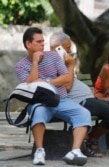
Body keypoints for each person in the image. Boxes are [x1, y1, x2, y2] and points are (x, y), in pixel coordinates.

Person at [15, 27, 91, 166]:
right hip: (40, 102)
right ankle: (40, 150)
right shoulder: (21, 66)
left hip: (62, 100)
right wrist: (35, 62)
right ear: (28, 44)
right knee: (37, 112)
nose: (43, 44)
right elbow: (30, 84)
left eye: (43, 41)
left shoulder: (53, 56)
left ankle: (74, 151)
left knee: (84, 113)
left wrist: (46, 82)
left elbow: (66, 77)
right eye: (39, 42)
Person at [49, 32, 109, 157]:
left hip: (90, 99)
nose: (70, 51)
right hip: (80, 102)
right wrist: (70, 66)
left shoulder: (63, 63)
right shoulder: (50, 64)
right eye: (67, 48)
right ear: (57, 48)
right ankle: (91, 140)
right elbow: (67, 88)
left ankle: (90, 136)